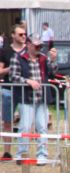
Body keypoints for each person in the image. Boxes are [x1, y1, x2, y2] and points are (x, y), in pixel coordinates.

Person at [9, 35, 55, 164]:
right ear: (28, 45)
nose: (39, 48)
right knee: (25, 127)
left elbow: (53, 72)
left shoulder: (44, 58)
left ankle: (42, 155)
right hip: (26, 98)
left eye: (41, 46)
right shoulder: (17, 58)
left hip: (42, 98)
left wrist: (53, 60)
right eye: (36, 46)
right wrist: (28, 81)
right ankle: (22, 154)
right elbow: (13, 77)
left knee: (42, 127)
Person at [1, 24, 29, 160]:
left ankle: (22, 152)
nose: (23, 36)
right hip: (8, 90)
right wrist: (10, 69)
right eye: (20, 34)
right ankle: (7, 151)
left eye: (24, 34)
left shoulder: (29, 51)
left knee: (25, 122)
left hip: (25, 90)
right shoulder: (5, 51)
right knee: (7, 121)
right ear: (13, 35)